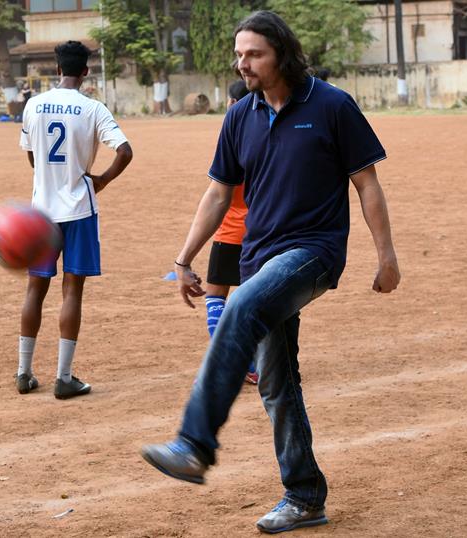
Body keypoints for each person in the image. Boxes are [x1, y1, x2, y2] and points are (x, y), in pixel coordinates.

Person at [141, 11, 400, 534]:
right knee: (277, 384)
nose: (243, 62)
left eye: (253, 53)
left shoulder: (330, 105)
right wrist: (183, 258)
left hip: (313, 252)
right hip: (258, 257)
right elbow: (218, 193)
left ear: (282, 52)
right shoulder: (241, 114)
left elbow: (366, 183)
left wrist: (386, 255)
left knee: (240, 306)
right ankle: (305, 496)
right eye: (239, 54)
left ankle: (194, 443)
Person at [15, 41, 133, 399]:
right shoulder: (93, 108)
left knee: (36, 287)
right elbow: (125, 151)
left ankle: (24, 372)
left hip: (42, 211)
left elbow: (33, 158)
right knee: (72, 289)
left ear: (56, 68)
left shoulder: (34, 105)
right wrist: (102, 180)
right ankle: (64, 378)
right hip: (79, 209)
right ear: (86, 72)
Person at [205, 79, 257, 384]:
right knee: (254, 301)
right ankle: (252, 363)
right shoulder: (265, 134)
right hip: (259, 232)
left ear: (231, 105)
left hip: (228, 232)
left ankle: (231, 362)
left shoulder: (229, 137)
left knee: (215, 297)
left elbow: (218, 193)